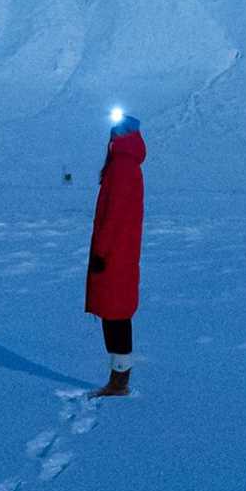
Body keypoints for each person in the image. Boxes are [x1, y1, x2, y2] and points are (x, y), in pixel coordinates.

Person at [85, 113, 146, 397]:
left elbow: (114, 218)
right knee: (117, 313)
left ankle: (119, 380)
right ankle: (118, 376)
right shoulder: (125, 165)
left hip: (115, 254)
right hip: (121, 252)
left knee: (115, 314)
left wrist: (102, 252)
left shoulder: (121, 167)